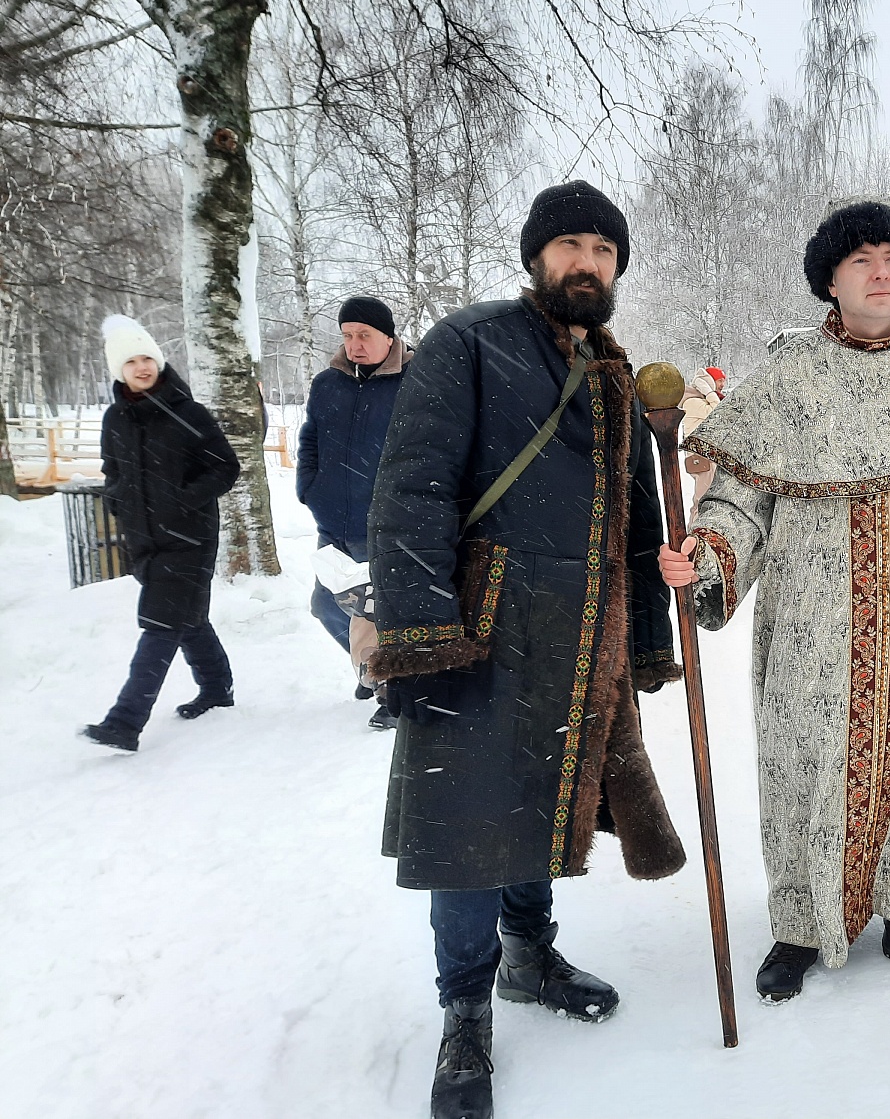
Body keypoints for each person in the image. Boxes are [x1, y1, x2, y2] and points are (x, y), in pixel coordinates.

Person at [365, 180, 686, 1119]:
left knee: (545, 803)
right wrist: (425, 632)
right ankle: (465, 1006)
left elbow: (634, 522)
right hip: (478, 627)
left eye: (605, 250)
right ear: (537, 257)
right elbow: (411, 491)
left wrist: (645, 639)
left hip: (577, 634)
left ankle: (530, 955)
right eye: (571, 246)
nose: (588, 263)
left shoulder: (614, 374)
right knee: (467, 826)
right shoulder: (470, 342)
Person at [657, 202, 890, 1003]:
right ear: (830, 279)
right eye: (861, 258)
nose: (881, 271)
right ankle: (800, 922)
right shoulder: (785, 384)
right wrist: (707, 556)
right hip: (811, 636)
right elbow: (738, 502)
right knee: (807, 769)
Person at [83, 315, 241, 752]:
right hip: (145, 540)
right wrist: (119, 501)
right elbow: (111, 470)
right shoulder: (115, 419)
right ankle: (216, 688)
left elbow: (225, 467)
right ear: (119, 370)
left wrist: (182, 501)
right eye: (131, 361)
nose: (141, 367)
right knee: (187, 619)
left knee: (160, 625)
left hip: (190, 538)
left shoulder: (187, 413)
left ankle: (125, 721)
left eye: (147, 358)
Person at [296, 295, 411, 729]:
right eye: (347, 336)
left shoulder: (412, 382)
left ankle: (389, 691)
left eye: (364, 335)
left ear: (388, 336)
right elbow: (310, 439)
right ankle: (369, 667)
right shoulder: (328, 383)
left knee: (378, 614)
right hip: (333, 522)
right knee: (326, 605)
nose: (355, 344)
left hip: (384, 521)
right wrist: (311, 488)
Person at [679, 365, 725, 525]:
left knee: (707, 498)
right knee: (701, 499)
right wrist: (710, 393)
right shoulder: (692, 402)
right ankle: (693, 534)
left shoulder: (702, 400)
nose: (722, 385)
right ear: (709, 382)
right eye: (719, 381)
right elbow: (717, 412)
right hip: (700, 458)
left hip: (708, 456)